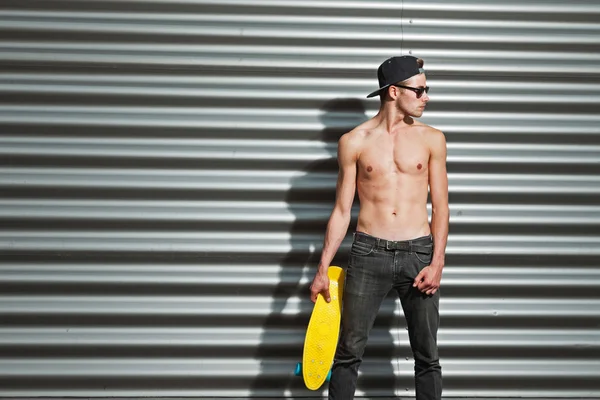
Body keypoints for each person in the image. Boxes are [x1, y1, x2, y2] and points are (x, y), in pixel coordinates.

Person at [309, 55, 449, 400]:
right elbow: (342, 210)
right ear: (392, 92)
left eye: (426, 90)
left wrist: (438, 262)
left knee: (427, 357)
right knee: (347, 354)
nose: (426, 97)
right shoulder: (354, 142)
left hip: (418, 253)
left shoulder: (432, 139)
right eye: (419, 90)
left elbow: (441, 207)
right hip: (368, 253)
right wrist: (322, 268)